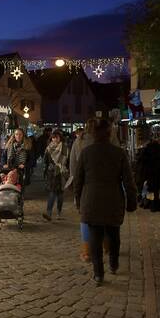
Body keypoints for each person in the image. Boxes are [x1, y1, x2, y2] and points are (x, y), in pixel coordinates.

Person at [74, 118, 137, 286]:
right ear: (110, 134)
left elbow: (78, 180)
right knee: (114, 234)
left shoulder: (86, 153)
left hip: (91, 201)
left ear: (93, 134)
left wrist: (78, 201)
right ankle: (114, 264)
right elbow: (129, 181)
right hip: (113, 200)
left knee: (95, 238)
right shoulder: (119, 153)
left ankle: (98, 273)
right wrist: (132, 201)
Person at [68, 120, 96, 262]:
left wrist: (76, 191)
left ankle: (86, 251)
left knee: (85, 218)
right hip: (106, 186)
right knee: (104, 217)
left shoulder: (79, 142)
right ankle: (107, 246)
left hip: (85, 185)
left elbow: (73, 167)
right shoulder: (109, 140)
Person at [43, 130, 67, 221]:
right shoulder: (49, 147)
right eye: (53, 137)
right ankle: (49, 213)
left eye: (56, 137)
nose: (54, 139)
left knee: (60, 193)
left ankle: (59, 212)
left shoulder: (64, 147)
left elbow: (65, 160)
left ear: (60, 138)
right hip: (51, 173)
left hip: (61, 172)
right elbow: (45, 160)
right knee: (52, 192)